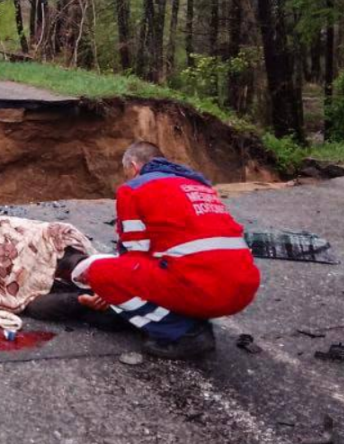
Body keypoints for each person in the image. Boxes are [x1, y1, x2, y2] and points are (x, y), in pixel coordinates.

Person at [48, 141, 261, 359]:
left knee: (102, 274)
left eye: (127, 173)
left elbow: (134, 253)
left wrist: (107, 289)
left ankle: (183, 332)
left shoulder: (135, 188)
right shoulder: (198, 185)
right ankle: (185, 315)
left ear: (133, 165)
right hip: (243, 288)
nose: (128, 179)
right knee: (161, 267)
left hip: (203, 289)